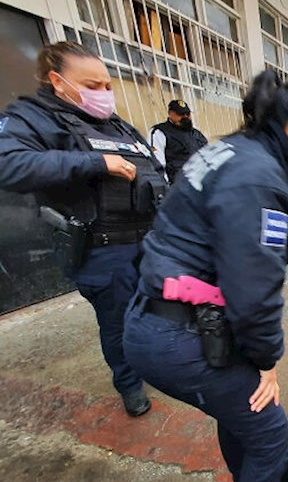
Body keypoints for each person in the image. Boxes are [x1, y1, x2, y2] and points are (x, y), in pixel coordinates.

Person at [122, 70, 288, 482]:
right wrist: (266, 362)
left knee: (238, 414)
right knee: (268, 431)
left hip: (164, 316)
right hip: (178, 332)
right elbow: (253, 292)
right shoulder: (259, 179)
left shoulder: (231, 152)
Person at [0, 41, 166, 417]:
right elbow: (8, 165)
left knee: (154, 312)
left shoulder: (115, 124)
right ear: (58, 82)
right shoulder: (32, 117)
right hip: (103, 251)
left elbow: (154, 175)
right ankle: (129, 385)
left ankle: (151, 363)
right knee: (118, 324)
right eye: (92, 86)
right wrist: (94, 162)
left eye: (107, 85)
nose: (104, 94)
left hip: (148, 243)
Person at [150, 99, 208, 182]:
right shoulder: (160, 132)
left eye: (187, 114)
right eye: (180, 114)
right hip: (178, 185)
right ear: (170, 113)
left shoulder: (197, 134)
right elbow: (157, 162)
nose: (185, 117)